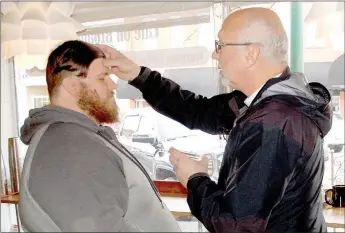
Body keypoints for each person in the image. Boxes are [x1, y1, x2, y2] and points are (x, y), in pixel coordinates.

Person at [96, 7, 332, 232]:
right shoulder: (269, 104)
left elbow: (234, 226)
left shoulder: (274, 123)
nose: (214, 53)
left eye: (220, 45)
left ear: (250, 54)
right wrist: (139, 76)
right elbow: (197, 110)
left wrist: (195, 179)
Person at [18, 40, 181, 232]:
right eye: (103, 77)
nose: (113, 85)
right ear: (72, 86)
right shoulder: (69, 147)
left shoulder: (78, 137)